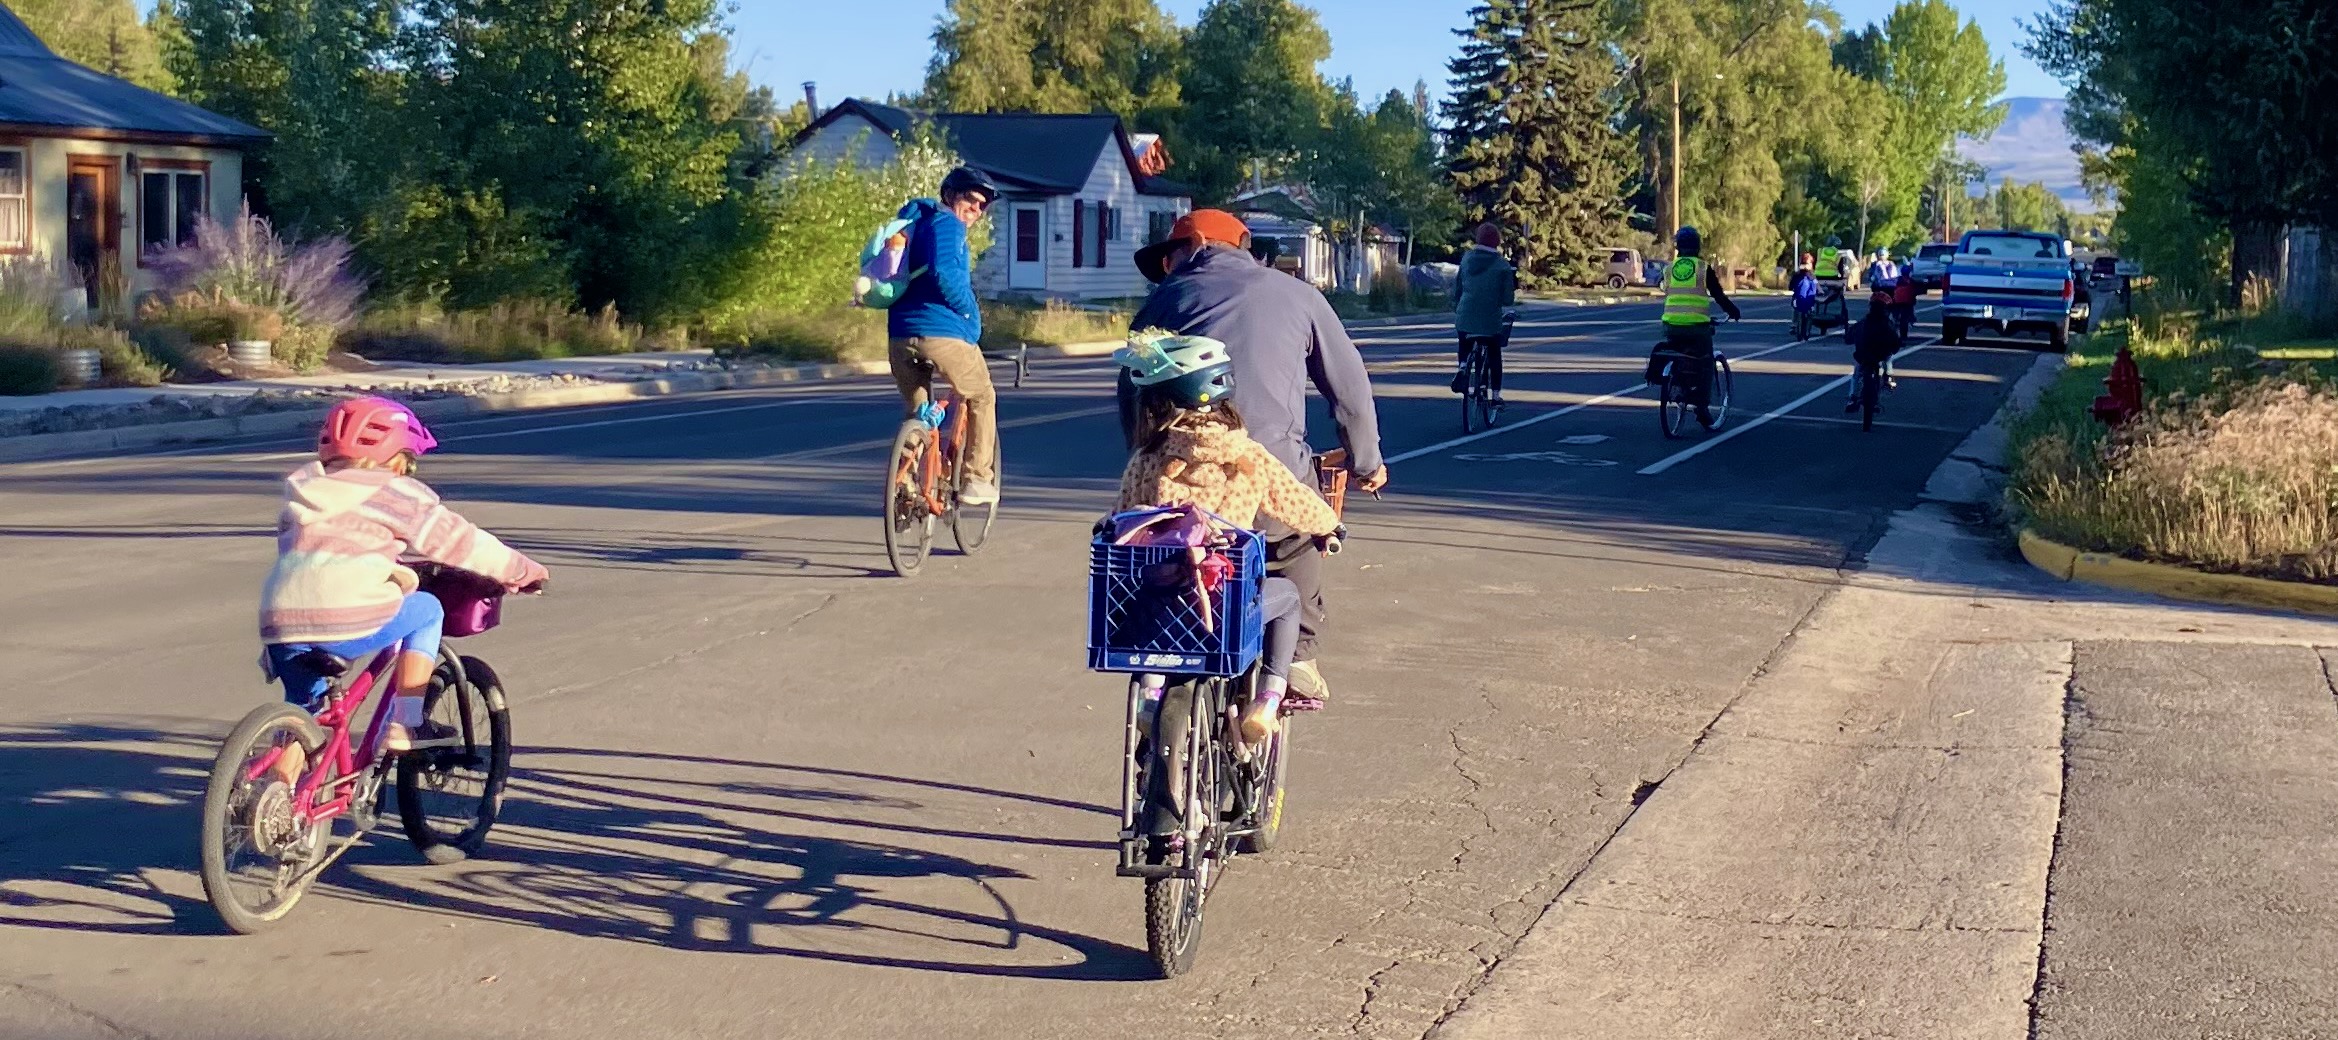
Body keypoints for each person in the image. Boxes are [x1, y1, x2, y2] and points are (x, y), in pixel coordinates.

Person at [1122, 208, 1386, 703]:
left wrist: (1152, 462)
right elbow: (1350, 389)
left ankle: (1158, 714)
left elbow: (1130, 395)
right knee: (1297, 534)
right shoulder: (1298, 296)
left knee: (1164, 568)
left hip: (1176, 498)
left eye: (1171, 258)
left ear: (1196, 245)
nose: (1168, 271)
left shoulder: (1160, 304)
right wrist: (1366, 462)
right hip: (1264, 482)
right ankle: (1299, 659)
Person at [259, 396, 549, 783]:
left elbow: (324, 561)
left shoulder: (303, 493)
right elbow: (460, 542)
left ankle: (276, 800)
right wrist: (522, 570)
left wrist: (390, 571)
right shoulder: (393, 492)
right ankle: (407, 722)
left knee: (304, 707)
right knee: (427, 609)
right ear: (396, 457)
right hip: (345, 617)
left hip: (281, 623)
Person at [1113, 332, 1342, 741]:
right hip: (1225, 600)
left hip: (1163, 594)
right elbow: (1292, 500)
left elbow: (1123, 517)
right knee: (1288, 596)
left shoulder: (1149, 458)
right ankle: (1269, 698)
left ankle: (1151, 694)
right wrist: (1329, 526)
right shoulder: (1246, 456)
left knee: (1150, 616)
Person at [888, 166, 1002, 506]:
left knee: (918, 414)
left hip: (900, 334)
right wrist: (970, 316)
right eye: (970, 199)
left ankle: (905, 486)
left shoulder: (910, 223)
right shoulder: (946, 223)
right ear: (950, 195)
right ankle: (977, 479)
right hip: (941, 333)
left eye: (983, 206)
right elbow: (944, 273)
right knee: (982, 395)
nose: (976, 209)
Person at [1655, 226, 1744, 419]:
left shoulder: (1670, 269)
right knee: (1705, 362)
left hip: (1671, 326)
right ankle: (1702, 408)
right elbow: (1718, 296)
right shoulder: (1703, 268)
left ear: (1678, 246)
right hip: (1697, 328)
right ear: (1697, 246)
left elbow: (1668, 291)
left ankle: (1677, 382)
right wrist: (1733, 311)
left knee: (1677, 352)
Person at [1450, 222, 1519, 405]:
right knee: (1494, 353)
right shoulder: (1502, 265)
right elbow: (1507, 299)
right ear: (1496, 242)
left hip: (1465, 315)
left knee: (1464, 339)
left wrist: (1456, 306)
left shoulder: (1466, 259)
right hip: (1490, 322)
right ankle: (1495, 396)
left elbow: (1457, 289)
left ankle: (1463, 367)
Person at [1844, 290, 1905, 412]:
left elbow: (1849, 337)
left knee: (1856, 374)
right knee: (1888, 356)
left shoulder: (1862, 323)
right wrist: (1896, 346)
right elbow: (1895, 342)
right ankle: (1888, 376)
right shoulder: (1888, 325)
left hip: (1863, 356)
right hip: (1879, 355)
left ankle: (1852, 397)